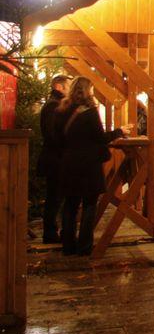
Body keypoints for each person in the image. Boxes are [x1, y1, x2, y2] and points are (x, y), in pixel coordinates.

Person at [55, 77, 127, 255]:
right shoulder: (90, 111)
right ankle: (84, 245)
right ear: (88, 90)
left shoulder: (62, 109)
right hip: (88, 166)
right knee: (89, 205)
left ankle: (68, 245)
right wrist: (120, 131)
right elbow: (100, 138)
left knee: (70, 205)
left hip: (69, 163)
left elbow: (57, 138)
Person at [37, 74, 70, 243]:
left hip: (55, 158)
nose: (70, 90)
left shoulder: (54, 105)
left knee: (55, 197)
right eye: (68, 86)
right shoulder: (53, 106)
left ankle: (51, 232)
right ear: (59, 87)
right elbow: (52, 134)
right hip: (55, 159)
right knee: (54, 197)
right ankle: (50, 233)